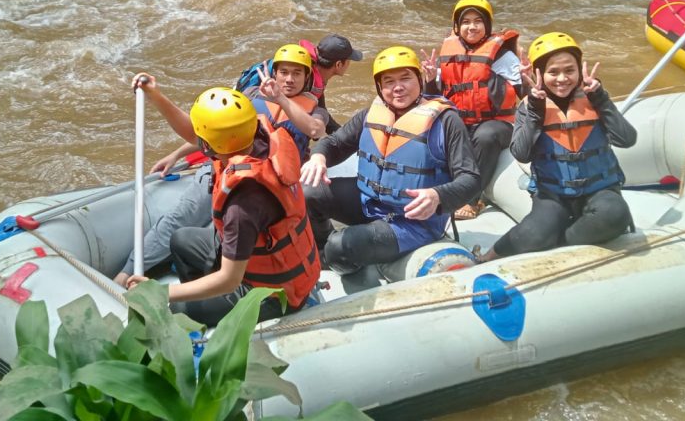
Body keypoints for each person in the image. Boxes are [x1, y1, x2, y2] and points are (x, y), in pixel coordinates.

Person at [113, 44, 329, 289]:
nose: (289, 79)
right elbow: (213, 133)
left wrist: (279, 97)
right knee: (180, 218)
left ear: (307, 77)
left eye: (297, 73)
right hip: (222, 168)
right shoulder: (249, 100)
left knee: (227, 228)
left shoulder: (315, 109)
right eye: (284, 72)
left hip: (264, 182)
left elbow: (314, 129)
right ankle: (128, 272)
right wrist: (176, 153)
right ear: (274, 73)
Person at [122, 77, 321, 327]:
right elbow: (195, 134)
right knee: (181, 240)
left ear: (208, 144)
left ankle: (208, 324)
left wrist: (160, 293)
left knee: (179, 307)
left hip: (272, 293)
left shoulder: (243, 204)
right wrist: (156, 96)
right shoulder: (254, 136)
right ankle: (209, 305)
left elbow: (229, 280)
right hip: (259, 256)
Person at [300, 46, 479, 275]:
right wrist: (318, 157)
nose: (398, 88)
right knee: (308, 193)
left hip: (412, 222)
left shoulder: (446, 122)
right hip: (369, 202)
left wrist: (438, 196)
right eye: (388, 82)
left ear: (419, 80)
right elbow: (334, 143)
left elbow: (471, 178)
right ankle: (327, 254)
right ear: (379, 87)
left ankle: (341, 256)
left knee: (339, 246)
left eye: (406, 78)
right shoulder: (369, 116)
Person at [474, 32, 636, 264]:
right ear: (539, 74)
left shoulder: (594, 98)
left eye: (570, 70)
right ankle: (487, 257)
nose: (562, 79)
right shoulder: (530, 107)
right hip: (553, 196)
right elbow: (521, 153)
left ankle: (562, 244)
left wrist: (602, 99)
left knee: (615, 214)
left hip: (599, 190)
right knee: (534, 234)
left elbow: (626, 139)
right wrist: (535, 113)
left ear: (580, 70)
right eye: (553, 72)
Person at [422, 0, 521, 217]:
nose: (472, 27)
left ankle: (471, 200)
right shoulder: (448, 53)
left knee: (486, 136)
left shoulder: (502, 55)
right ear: (456, 27)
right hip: (461, 122)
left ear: (487, 25)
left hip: (497, 124)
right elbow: (432, 97)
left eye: (478, 21)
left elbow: (525, 92)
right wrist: (429, 78)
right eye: (466, 22)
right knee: (435, 131)